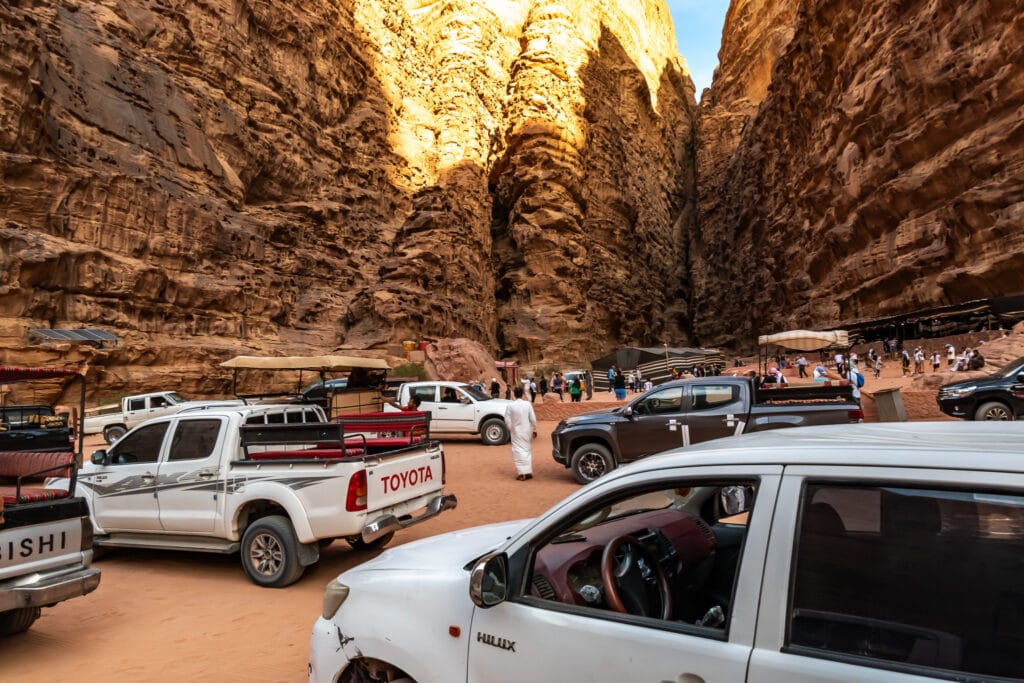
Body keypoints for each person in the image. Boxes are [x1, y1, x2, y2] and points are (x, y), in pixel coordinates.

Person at [504, 386, 537, 481]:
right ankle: (528, 472)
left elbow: (507, 420)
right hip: (526, 431)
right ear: (522, 394)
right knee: (527, 450)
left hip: (516, 432)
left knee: (518, 451)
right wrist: (534, 429)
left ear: (514, 394)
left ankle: (522, 473)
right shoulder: (527, 404)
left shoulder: (510, 405)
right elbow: (533, 419)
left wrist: (511, 429)